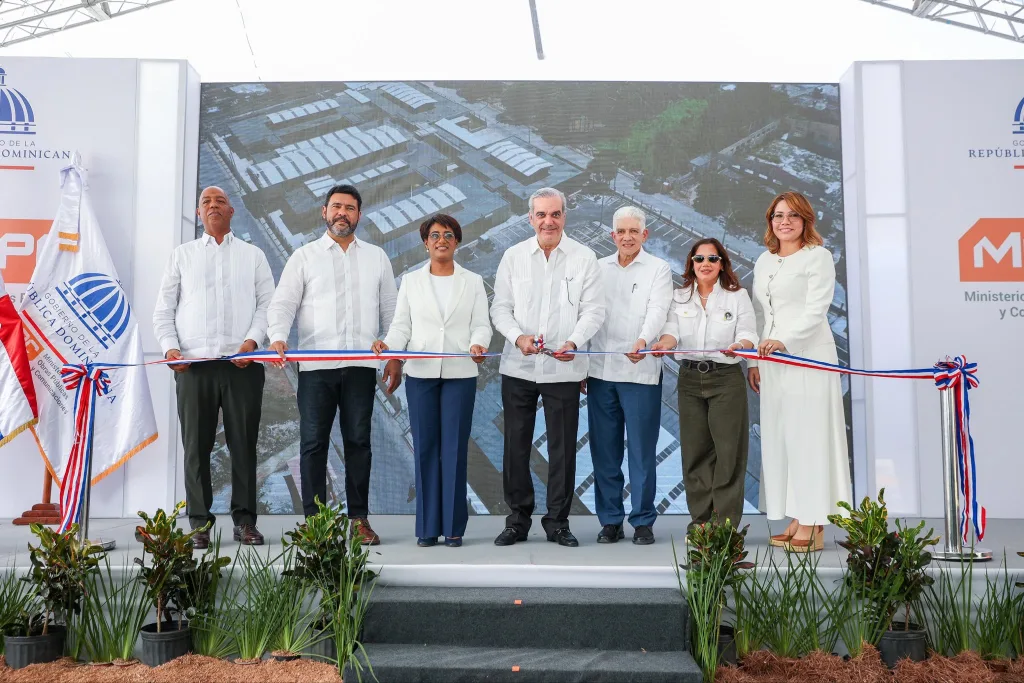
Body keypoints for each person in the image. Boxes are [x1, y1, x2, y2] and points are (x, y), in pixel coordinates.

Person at [267, 184, 400, 545]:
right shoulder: (304, 257)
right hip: (316, 367)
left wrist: (394, 357)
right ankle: (315, 524)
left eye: (351, 208)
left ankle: (359, 519)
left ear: (359, 214)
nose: (343, 213)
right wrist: (278, 335)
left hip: (360, 368)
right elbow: (282, 305)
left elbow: (392, 314)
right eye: (337, 207)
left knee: (358, 442)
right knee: (313, 444)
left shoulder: (377, 258)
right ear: (324, 212)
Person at [153, 186, 275, 548]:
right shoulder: (182, 256)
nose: (213, 206)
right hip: (194, 368)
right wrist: (171, 349)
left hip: (243, 366)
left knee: (244, 446)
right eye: (206, 202)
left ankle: (245, 522)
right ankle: (199, 524)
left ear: (231, 211)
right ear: (198, 213)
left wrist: (251, 342)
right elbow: (164, 310)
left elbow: (268, 306)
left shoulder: (253, 256)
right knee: (196, 447)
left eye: (220, 201)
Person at [490, 187, 605, 548]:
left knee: (562, 449)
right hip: (518, 367)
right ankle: (517, 520)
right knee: (516, 448)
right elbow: (500, 309)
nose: (548, 221)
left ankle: (557, 521)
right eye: (541, 215)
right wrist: (516, 336)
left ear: (564, 217)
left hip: (564, 370)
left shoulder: (585, 258)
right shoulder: (513, 256)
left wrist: (575, 340)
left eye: (555, 214)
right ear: (531, 218)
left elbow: (594, 311)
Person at [372, 214, 492, 548]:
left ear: (457, 242)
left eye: (449, 235)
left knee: (453, 450)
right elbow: (401, 327)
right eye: (435, 235)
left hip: (460, 374)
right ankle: (427, 527)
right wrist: (389, 345)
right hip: (421, 375)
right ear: (425, 242)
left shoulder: (473, 281)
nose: (442, 240)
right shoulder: (410, 282)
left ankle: (453, 528)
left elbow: (482, 324)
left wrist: (478, 343)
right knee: (425, 448)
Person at [747, 191, 852, 553]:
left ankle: (814, 520)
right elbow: (762, 314)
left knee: (809, 439)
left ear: (806, 220)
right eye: (778, 215)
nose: (785, 222)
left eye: (793, 215)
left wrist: (782, 341)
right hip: (774, 363)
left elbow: (817, 310)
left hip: (808, 357)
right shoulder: (764, 260)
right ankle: (797, 515)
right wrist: (759, 360)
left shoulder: (817, 257)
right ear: (770, 221)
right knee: (783, 439)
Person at [651, 238, 757, 533]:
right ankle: (700, 522)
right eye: (699, 259)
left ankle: (724, 526)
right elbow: (671, 331)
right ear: (691, 264)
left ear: (722, 263)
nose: (705, 264)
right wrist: (664, 343)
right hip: (689, 380)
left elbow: (749, 333)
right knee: (695, 452)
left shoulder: (738, 296)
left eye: (712, 258)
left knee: (728, 453)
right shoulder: (679, 296)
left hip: (725, 380)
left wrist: (739, 345)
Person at [585, 206, 672, 546]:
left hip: (640, 371)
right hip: (600, 372)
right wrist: (582, 366)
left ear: (645, 235)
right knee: (604, 451)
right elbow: (589, 315)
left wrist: (643, 341)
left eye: (634, 231)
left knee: (641, 451)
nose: (627, 237)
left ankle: (642, 521)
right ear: (613, 236)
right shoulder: (597, 268)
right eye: (621, 231)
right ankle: (610, 521)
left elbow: (657, 311)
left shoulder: (658, 269)